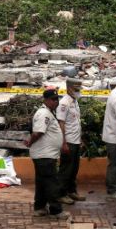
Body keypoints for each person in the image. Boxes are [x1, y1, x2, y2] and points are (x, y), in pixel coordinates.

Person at [28, 88, 68, 219]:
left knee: (42, 182)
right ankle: (56, 210)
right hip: (45, 155)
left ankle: (39, 207)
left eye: (57, 99)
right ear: (46, 100)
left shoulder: (48, 112)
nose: (56, 102)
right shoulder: (44, 113)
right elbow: (38, 132)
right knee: (52, 182)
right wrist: (30, 142)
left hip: (45, 154)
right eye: (53, 99)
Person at [56, 78, 84, 203]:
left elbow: (76, 123)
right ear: (69, 88)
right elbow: (61, 123)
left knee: (74, 169)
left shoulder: (75, 101)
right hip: (68, 141)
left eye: (79, 89)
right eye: (76, 89)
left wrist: (80, 138)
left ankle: (72, 191)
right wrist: (63, 142)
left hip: (76, 140)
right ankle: (61, 194)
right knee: (66, 169)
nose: (78, 91)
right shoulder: (64, 103)